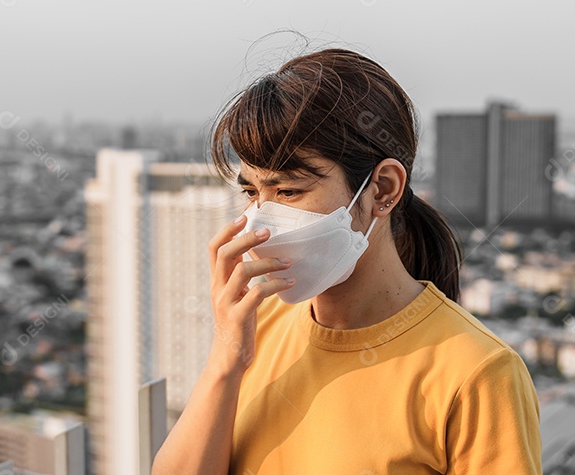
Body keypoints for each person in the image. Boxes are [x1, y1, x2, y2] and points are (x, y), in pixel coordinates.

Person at [152, 47, 541, 474]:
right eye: (251, 193)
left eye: (288, 192)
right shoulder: (257, 328)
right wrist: (226, 362)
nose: (259, 219)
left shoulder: (477, 373)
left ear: (382, 189)